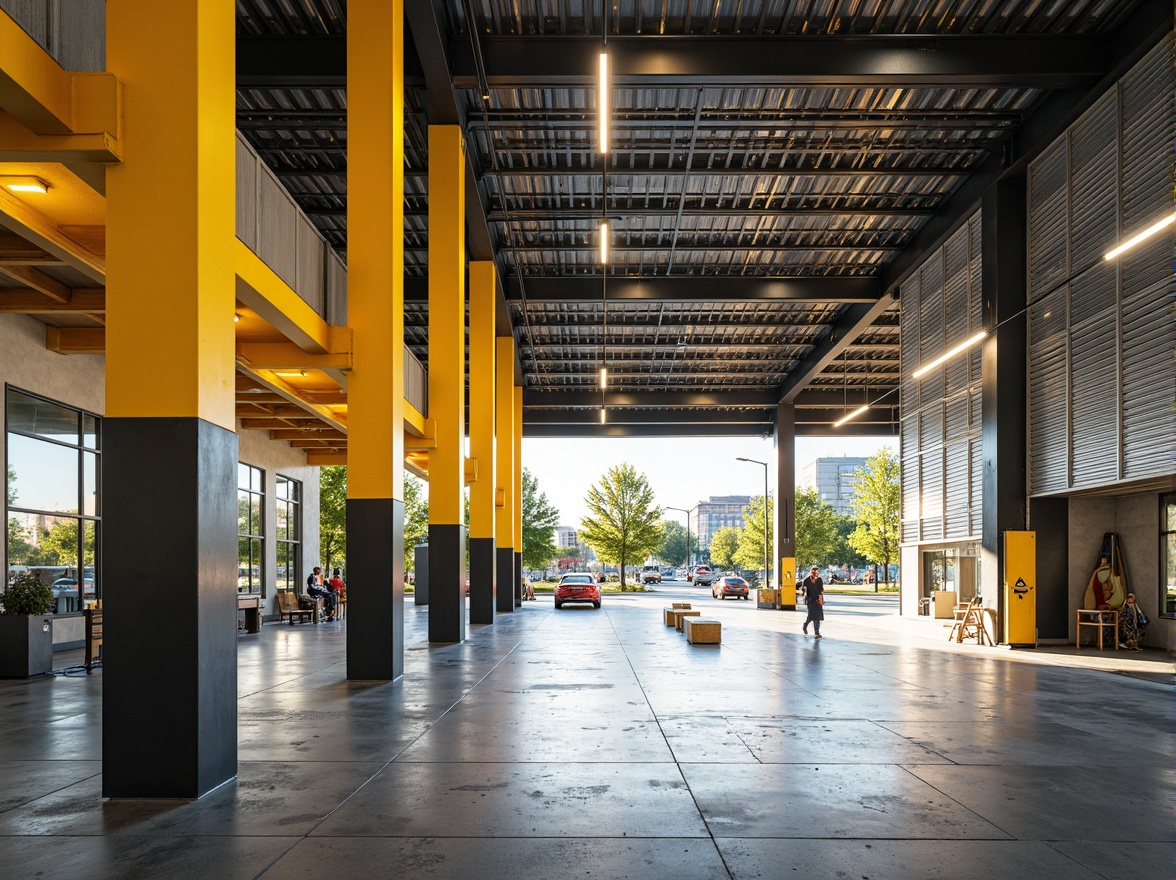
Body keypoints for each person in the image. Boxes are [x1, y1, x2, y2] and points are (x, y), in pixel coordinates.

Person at [801, 566, 825, 639]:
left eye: (817, 572)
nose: (816, 573)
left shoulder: (819, 580)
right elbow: (803, 590)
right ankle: (805, 625)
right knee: (811, 616)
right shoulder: (806, 580)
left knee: (817, 616)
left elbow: (821, 590)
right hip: (810, 600)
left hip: (817, 599)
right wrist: (805, 592)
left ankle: (816, 631)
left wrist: (821, 599)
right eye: (815, 572)